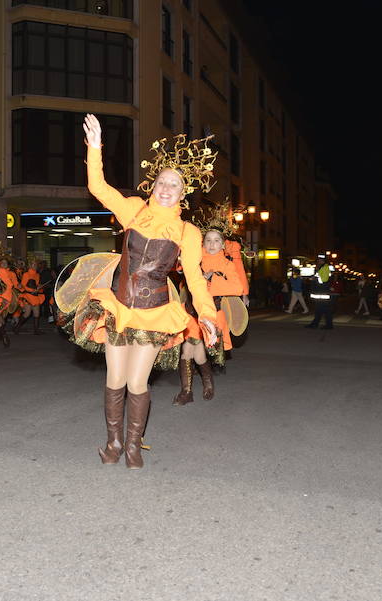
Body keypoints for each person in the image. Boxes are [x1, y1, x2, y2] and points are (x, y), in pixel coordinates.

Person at [63, 114, 218, 469]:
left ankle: (133, 445)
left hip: (155, 313)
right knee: (114, 378)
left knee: (136, 381)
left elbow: (194, 278)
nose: (166, 189)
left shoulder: (188, 232)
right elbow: (99, 188)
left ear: (183, 194)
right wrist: (95, 146)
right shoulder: (133, 210)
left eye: (174, 185)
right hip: (118, 307)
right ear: (153, 186)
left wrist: (207, 314)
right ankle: (113, 442)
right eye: (162, 182)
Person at [173, 212, 248, 406]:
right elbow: (183, 279)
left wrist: (211, 279)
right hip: (192, 312)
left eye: (216, 241)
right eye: (208, 240)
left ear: (223, 245)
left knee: (196, 352)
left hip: (212, 313)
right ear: (203, 243)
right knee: (189, 351)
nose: (212, 244)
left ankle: (202, 385)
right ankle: (189, 390)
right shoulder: (195, 260)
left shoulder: (227, 265)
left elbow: (236, 288)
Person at [305, 257, 334, 330]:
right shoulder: (322, 268)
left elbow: (323, 280)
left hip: (322, 292)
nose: (317, 261)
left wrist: (314, 279)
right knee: (320, 309)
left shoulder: (324, 268)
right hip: (321, 292)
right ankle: (316, 324)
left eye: (318, 260)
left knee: (324, 310)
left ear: (322, 261)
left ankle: (327, 325)